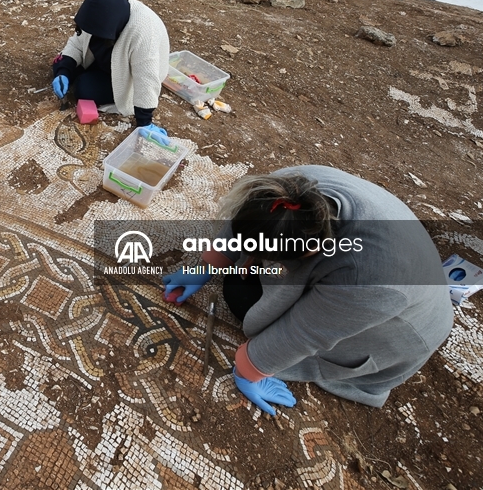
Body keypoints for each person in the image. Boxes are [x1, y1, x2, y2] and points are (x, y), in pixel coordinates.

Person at [163, 166, 454, 413]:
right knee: (241, 283)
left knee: (244, 300)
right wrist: (207, 265)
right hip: (363, 275)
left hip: (394, 329)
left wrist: (249, 369)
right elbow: (249, 222)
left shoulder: (368, 279)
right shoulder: (287, 188)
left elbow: (305, 334)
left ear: (311, 251)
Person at [51, 0, 170, 142]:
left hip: (128, 76)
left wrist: (144, 122)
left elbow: (146, 77)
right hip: (106, 59)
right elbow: (78, 42)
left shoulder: (144, 31)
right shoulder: (100, 14)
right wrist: (63, 72)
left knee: (84, 88)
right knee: (60, 66)